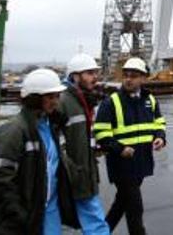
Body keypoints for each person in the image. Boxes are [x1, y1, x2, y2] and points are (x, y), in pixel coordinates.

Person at [0, 68, 75, 234]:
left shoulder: (51, 126)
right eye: (50, 97)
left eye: (57, 96)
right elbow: (0, 175)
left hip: (48, 212)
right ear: (34, 99)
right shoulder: (14, 130)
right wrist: (19, 214)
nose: (56, 102)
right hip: (24, 220)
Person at [92, 58, 166, 235]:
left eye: (133, 76)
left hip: (141, 161)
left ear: (143, 78)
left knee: (122, 203)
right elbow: (101, 133)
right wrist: (119, 148)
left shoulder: (150, 100)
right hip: (121, 164)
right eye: (125, 75)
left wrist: (160, 137)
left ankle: (103, 231)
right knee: (135, 207)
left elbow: (159, 122)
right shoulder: (111, 102)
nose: (128, 79)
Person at [59, 53, 110, 234]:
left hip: (84, 173)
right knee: (94, 221)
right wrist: (73, 169)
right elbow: (56, 143)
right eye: (89, 73)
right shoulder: (64, 102)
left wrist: (95, 149)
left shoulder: (85, 102)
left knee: (91, 220)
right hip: (75, 175)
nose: (95, 77)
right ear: (75, 76)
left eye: (95, 72)